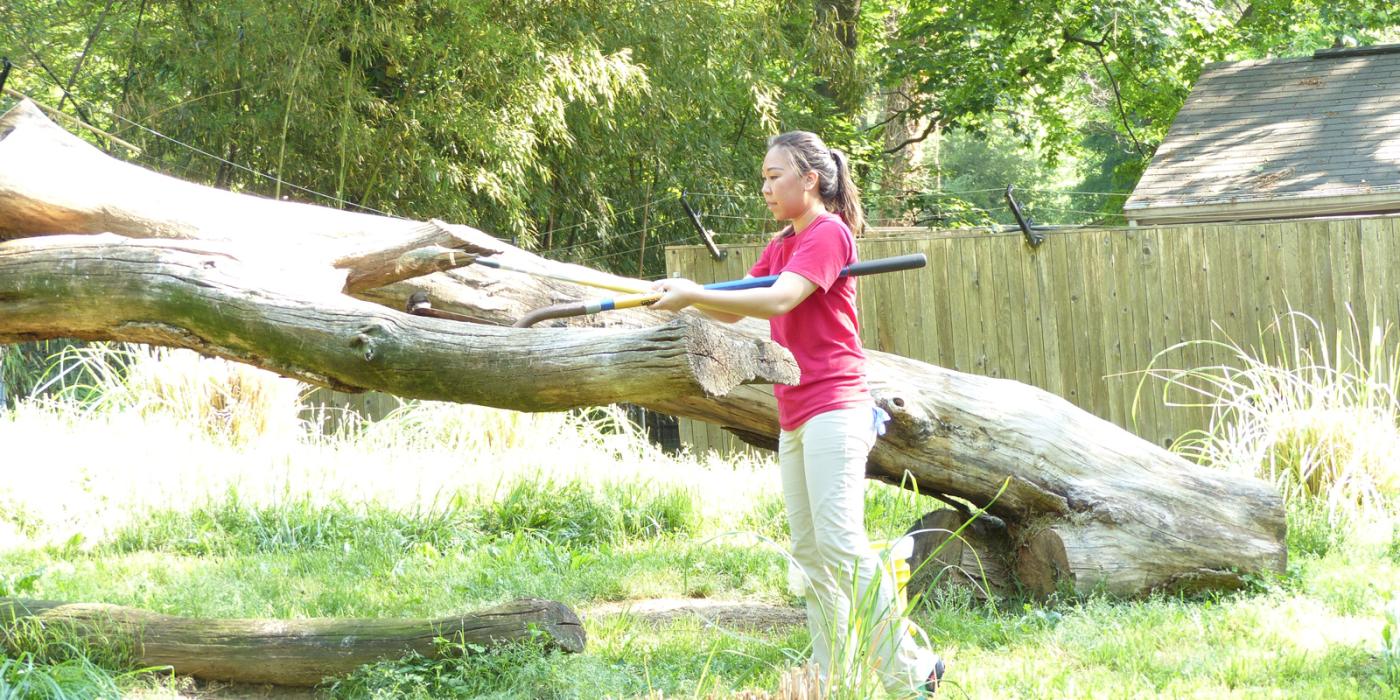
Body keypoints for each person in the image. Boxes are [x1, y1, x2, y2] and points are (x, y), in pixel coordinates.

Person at [650, 131, 945, 696]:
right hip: (796, 411)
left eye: (774, 175)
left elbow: (780, 299)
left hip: (837, 404)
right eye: (763, 177)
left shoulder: (828, 234)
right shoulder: (784, 243)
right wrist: (685, 294)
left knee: (839, 543)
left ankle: (912, 671)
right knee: (811, 552)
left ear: (809, 179)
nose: (765, 186)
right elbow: (737, 309)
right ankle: (832, 675)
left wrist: (692, 293)